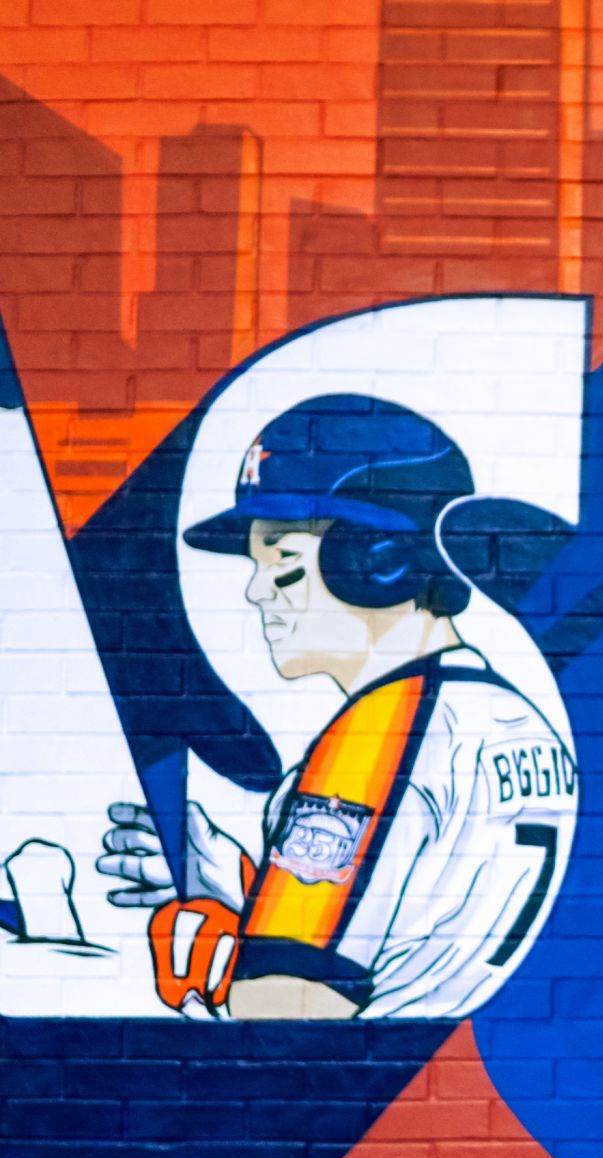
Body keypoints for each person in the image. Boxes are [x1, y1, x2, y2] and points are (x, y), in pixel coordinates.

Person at [94, 395, 578, 1019]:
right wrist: (249, 890)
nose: (255, 587)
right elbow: (411, 926)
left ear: (377, 561)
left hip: (377, 1096)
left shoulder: (376, 735)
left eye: (283, 558)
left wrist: (211, 962)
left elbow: (286, 1019)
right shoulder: (503, 713)